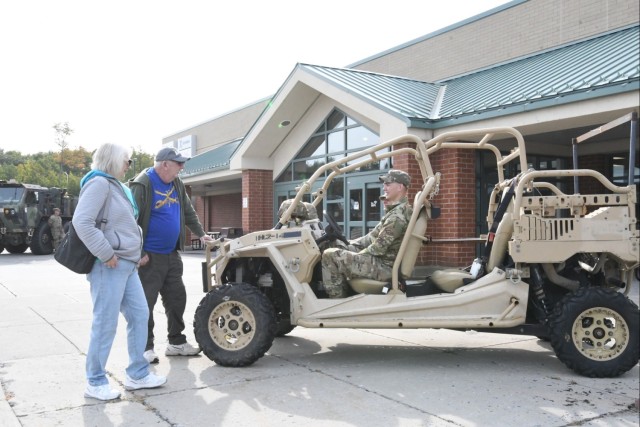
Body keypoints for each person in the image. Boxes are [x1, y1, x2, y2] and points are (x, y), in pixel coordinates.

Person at [74, 143, 166, 401]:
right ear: (113, 160)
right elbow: (82, 222)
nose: (129, 164)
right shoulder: (99, 184)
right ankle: (95, 380)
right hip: (108, 265)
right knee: (105, 323)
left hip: (127, 265)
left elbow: (126, 226)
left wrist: (135, 254)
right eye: (127, 159)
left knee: (140, 314)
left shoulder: (117, 186)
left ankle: (137, 374)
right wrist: (107, 253)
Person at [129, 147, 213, 364]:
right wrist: (139, 252)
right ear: (165, 163)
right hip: (150, 256)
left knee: (177, 298)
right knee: (145, 303)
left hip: (171, 254)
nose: (182, 167)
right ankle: (145, 347)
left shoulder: (176, 183)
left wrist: (201, 234)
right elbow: (130, 221)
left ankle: (176, 342)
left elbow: (187, 211)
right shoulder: (143, 184)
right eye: (178, 163)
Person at [321, 170, 413, 298]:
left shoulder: (397, 217)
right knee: (333, 244)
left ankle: (337, 301)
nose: (384, 187)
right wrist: (348, 243)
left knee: (330, 255)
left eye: (388, 184)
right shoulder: (395, 211)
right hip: (380, 261)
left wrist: (355, 255)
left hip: (384, 267)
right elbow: (370, 239)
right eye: (384, 184)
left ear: (400, 187)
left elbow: (377, 249)